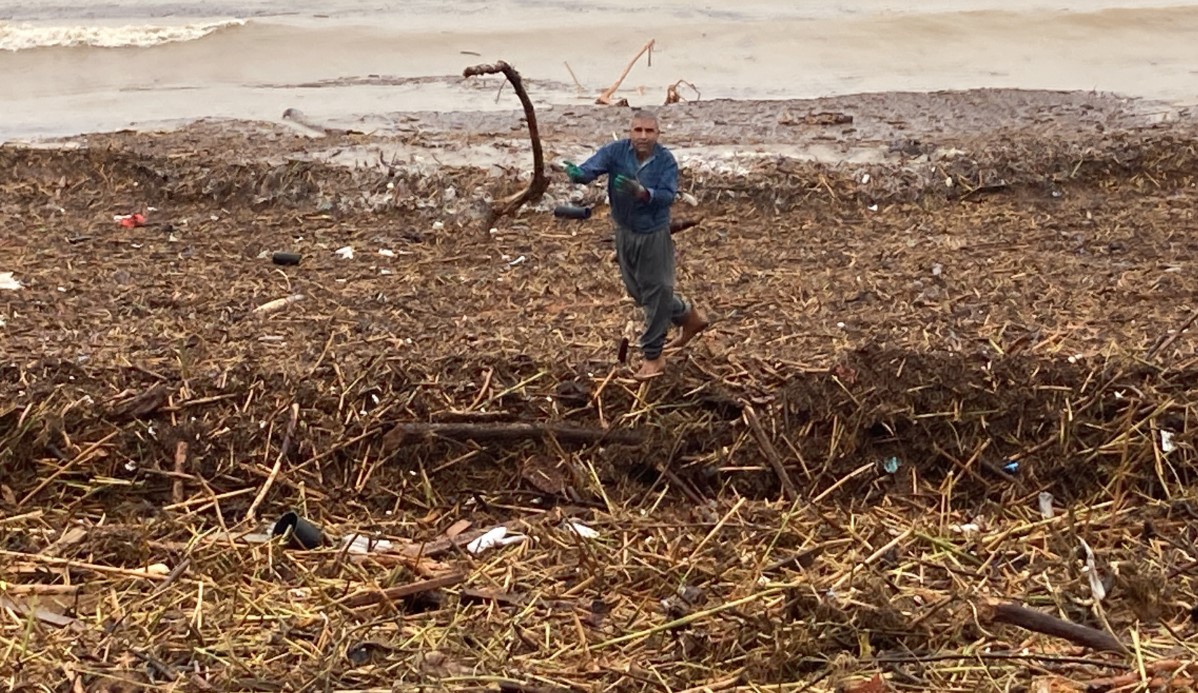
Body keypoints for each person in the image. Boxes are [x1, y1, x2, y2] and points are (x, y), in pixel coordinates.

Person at [563, 110, 708, 380]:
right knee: (639, 292)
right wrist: (576, 173)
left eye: (649, 131)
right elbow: (589, 169)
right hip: (624, 231)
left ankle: (653, 356)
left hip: (653, 233)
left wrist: (642, 193)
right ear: (630, 132)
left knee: (658, 290)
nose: (643, 136)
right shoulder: (616, 152)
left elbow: (666, 196)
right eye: (638, 130)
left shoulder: (665, 161)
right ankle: (689, 317)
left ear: (657, 134)